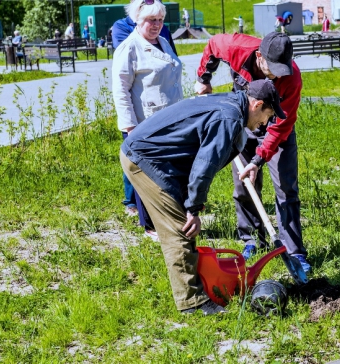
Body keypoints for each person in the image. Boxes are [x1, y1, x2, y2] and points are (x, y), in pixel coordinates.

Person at [120, 80, 284, 315]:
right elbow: (204, 166)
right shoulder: (228, 119)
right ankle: (193, 304)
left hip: (157, 158)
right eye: (267, 116)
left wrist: (189, 199)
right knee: (180, 230)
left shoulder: (231, 105)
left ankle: (200, 287)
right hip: (146, 159)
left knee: (182, 224)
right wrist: (193, 209)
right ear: (257, 104)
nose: (264, 123)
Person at [194, 32, 311, 273]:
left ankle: (294, 250)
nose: (278, 74)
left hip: (277, 130)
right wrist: (204, 77)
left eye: (283, 68)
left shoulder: (292, 77)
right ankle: (252, 240)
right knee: (243, 185)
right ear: (259, 56)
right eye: (273, 68)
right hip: (244, 123)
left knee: (286, 190)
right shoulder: (237, 47)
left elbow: (282, 125)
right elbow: (213, 45)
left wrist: (259, 159)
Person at [112, 0, 183, 241]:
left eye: (160, 20)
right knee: (148, 175)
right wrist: (130, 127)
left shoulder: (163, 42)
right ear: (137, 20)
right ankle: (151, 226)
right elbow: (120, 90)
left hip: (170, 119)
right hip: (145, 123)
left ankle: (170, 218)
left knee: (168, 172)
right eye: (151, 20)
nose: (156, 25)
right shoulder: (129, 48)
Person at [111, 1, 177, 52]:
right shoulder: (121, 26)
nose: (157, 24)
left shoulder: (162, 27)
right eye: (152, 19)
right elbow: (127, 56)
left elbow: (173, 57)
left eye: (160, 19)